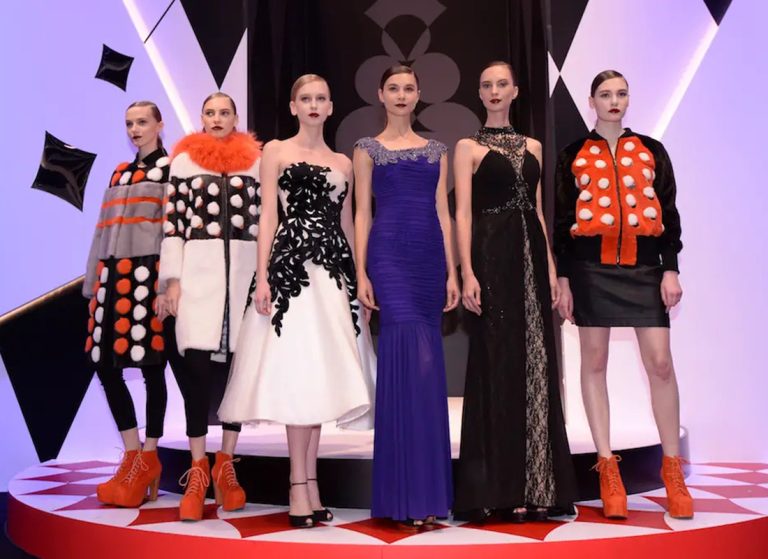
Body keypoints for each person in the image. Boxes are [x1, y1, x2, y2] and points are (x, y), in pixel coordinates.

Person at [218, 74, 373, 528]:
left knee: (319, 379)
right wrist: (262, 276)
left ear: (331, 107)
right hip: (290, 273)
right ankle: (297, 486)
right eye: (305, 98)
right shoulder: (275, 151)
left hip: (333, 274)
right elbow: (268, 216)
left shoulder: (343, 162)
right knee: (298, 375)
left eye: (321, 98)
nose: (313, 104)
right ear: (293, 106)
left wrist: (357, 279)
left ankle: (311, 485)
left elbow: (347, 225)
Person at [554, 70, 692, 520]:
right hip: (590, 269)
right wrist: (564, 279)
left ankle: (673, 471)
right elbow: (561, 222)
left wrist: (670, 268)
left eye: (621, 93)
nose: (614, 101)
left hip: (645, 267)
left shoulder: (652, 150)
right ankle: (607, 469)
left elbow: (669, 213)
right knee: (594, 363)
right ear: (591, 101)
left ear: (628, 99)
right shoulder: (572, 154)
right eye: (605, 94)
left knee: (661, 363)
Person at [452, 62, 577, 522]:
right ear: (479, 93)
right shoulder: (467, 147)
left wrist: (551, 270)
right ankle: (498, 490)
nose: (494, 90)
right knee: (496, 362)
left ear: (515, 91)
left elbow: (539, 213)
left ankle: (539, 485)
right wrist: (467, 272)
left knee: (536, 364)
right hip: (491, 256)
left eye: (501, 84)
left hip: (531, 260)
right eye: (486, 84)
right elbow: (462, 213)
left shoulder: (534, 146)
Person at [354, 65, 459, 526]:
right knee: (403, 359)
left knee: (428, 367)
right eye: (393, 88)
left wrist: (453, 271)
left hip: (428, 258)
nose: (401, 95)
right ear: (381, 95)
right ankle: (402, 498)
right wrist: (361, 270)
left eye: (409, 88)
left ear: (418, 95)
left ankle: (428, 496)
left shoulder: (438, 150)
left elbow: (443, 212)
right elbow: (361, 212)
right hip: (389, 257)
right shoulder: (366, 148)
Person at [159, 92, 261, 520]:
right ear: (201, 118)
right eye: (210, 112)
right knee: (196, 374)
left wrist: (264, 278)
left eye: (225, 112)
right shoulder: (183, 163)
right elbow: (172, 225)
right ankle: (198, 467)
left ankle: (226, 465)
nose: (217, 118)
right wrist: (172, 281)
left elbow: (265, 223)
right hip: (197, 279)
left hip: (244, 279)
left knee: (238, 374)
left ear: (236, 118)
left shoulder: (256, 163)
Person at [83, 100, 181, 508]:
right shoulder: (119, 172)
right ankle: (131, 453)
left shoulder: (172, 170)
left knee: (152, 366)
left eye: (142, 122)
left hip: (148, 278)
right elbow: (101, 231)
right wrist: (93, 283)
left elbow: (175, 233)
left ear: (159, 124)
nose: (135, 129)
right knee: (105, 366)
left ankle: (149, 456)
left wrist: (169, 284)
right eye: (129, 123)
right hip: (111, 280)